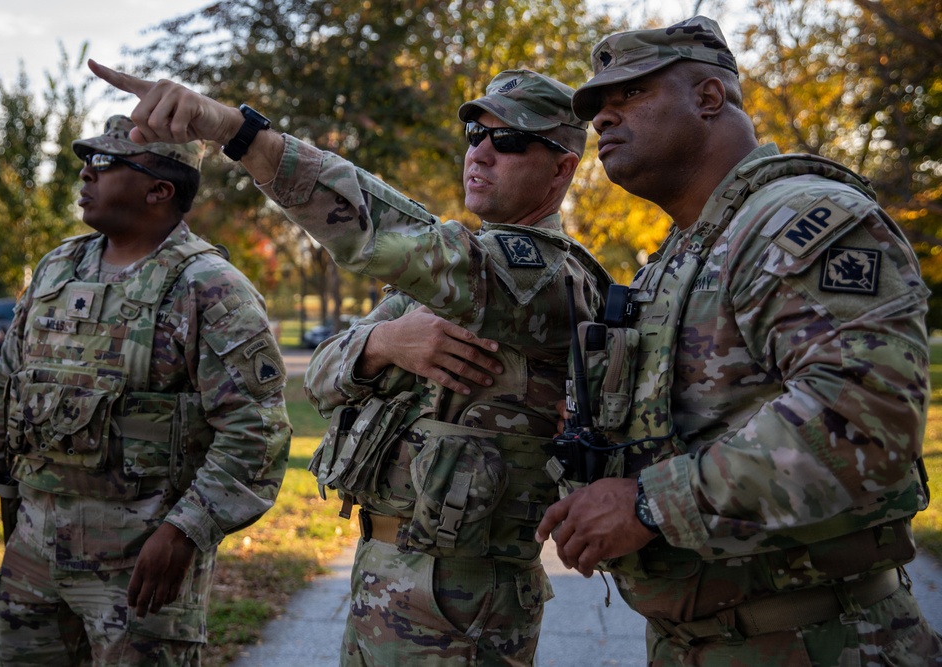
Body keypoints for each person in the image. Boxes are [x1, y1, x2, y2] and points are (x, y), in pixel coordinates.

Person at [88, 62, 614, 664]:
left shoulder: (545, 275)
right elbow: (320, 377)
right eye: (475, 136)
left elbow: (379, 232)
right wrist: (383, 345)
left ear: (563, 168)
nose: (482, 153)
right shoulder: (449, 282)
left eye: (511, 140)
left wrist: (234, 130)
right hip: (382, 569)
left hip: (465, 596)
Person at [533, 15, 941, 666]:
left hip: (820, 641)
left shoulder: (805, 221)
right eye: (597, 109)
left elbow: (869, 420)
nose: (603, 119)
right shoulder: (675, 258)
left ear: (709, 97)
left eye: (630, 94)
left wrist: (647, 503)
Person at [0, 116, 291, 665]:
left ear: (160, 189)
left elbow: (258, 431)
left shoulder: (208, 287)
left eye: (106, 163)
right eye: (88, 160)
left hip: (140, 564)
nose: (86, 171)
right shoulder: (58, 267)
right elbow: (5, 387)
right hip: (32, 549)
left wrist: (185, 532)